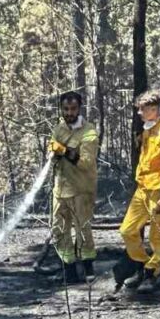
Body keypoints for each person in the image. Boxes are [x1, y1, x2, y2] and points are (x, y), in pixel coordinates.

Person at [114, 89, 160, 294]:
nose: (139, 114)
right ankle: (142, 265)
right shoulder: (147, 128)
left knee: (158, 235)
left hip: (158, 189)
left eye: (142, 110)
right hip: (142, 188)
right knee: (127, 230)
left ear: (153, 109)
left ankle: (152, 273)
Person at [47, 91, 99, 283]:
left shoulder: (89, 132)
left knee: (82, 228)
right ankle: (68, 268)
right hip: (61, 188)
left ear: (80, 108)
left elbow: (85, 162)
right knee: (59, 228)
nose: (69, 113)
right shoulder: (59, 129)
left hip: (81, 189)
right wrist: (53, 152)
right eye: (66, 109)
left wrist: (66, 151)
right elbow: (53, 150)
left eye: (73, 109)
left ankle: (87, 267)